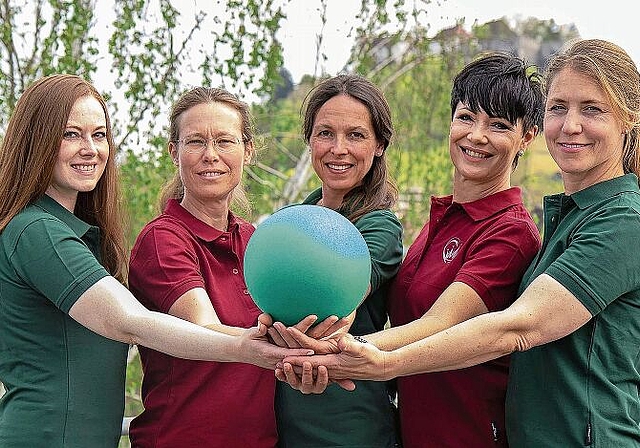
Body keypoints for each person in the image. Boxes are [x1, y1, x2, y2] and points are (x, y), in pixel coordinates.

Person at [281, 38, 640, 447]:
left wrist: (360, 357)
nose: (477, 136)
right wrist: (325, 349)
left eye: (591, 109)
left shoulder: (602, 222)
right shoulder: (552, 217)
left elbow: (506, 327)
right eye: (559, 107)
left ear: (527, 136)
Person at [0, 74, 310, 448]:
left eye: (99, 135)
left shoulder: (76, 235)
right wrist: (247, 347)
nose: (90, 149)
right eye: (70, 134)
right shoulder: (38, 231)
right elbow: (132, 322)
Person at [275, 52, 545, 447]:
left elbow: (437, 325)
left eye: (499, 125)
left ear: (527, 137)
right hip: (413, 431)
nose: (477, 136)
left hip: (467, 434)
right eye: (467, 117)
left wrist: (338, 352)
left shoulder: (510, 232)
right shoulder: (439, 223)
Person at [126, 86, 312, 447]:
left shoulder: (257, 240)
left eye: (224, 141)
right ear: (174, 153)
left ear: (248, 150)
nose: (210, 155)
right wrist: (289, 347)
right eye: (195, 142)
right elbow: (205, 328)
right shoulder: (162, 240)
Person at [270, 74, 404, 447]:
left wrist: (271, 323)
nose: (338, 148)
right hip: (285, 423)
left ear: (379, 145)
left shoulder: (380, 227)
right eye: (325, 133)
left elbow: (332, 304)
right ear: (310, 141)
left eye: (356, 135)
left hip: (351, 426)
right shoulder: (296, 217)